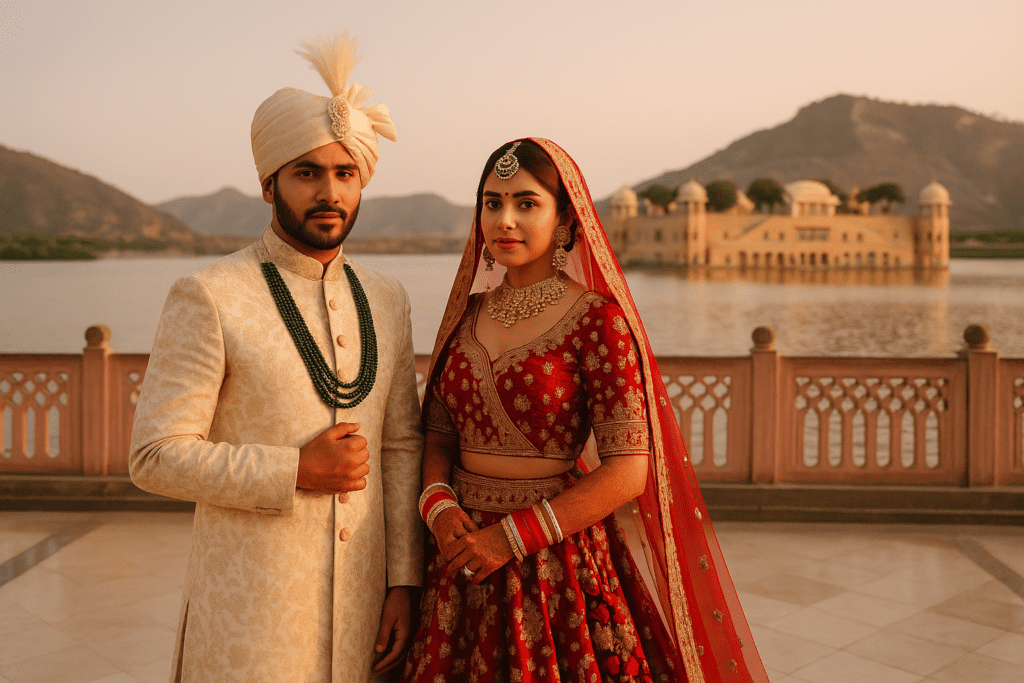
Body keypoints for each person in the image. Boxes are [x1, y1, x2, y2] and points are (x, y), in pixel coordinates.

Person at [402, 139, 769, 682]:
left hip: (551, 560)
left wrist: (512, 536)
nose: (504, 220)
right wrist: (437, 504)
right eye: (491, 202)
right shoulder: (466, 314)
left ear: (566, 218)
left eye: (526, 204)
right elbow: (437, 430)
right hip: (459, 557)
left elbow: (628, 471)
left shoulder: (597, 321)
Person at [129, 33, 423, 683]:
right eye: (307, 172)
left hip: (364, 614)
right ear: (269, 183)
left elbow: (401, 445)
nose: (329, 192)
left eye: (345, 173)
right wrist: (294, 469)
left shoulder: (387, 297)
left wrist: (403, 579)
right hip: (250, 621)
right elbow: (153, 455)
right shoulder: (211, 294)